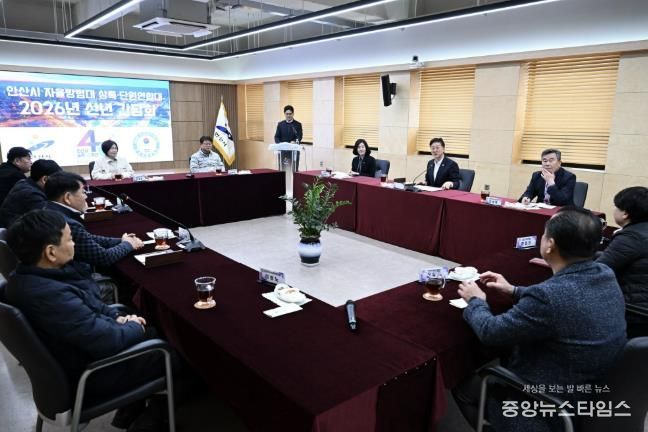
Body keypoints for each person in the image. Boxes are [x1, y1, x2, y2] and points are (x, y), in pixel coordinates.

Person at [4, 209, 181, 431]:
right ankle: (156, 416)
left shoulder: (28, 279)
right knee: (173, 348)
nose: (74, 244)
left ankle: (132, 409)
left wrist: (117, 317)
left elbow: (89, 308)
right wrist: (135, 326)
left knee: (144, 325)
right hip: (90, 375)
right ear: (51, 252)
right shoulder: (50, 295)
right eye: (70, 239)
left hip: (72, 361)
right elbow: (107, 341)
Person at [454, 207, 626, 432]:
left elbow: (491, 332)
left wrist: (476, 300)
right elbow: (566, 298)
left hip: (549, 403)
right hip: (597, 392)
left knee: (461, 382)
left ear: (550, 245)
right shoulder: (604, 272)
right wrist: (514, 290)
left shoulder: (548, 296)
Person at [44, 172, 144, 300]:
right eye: (83, 192)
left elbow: (88, 238)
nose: (86, 196)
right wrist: (128, 245)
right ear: (68, 197)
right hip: (75, 282)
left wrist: (121, 240)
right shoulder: (67, 223)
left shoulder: (50, 209)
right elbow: (104, 257)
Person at [597, 186, 648, 338]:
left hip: (634, 312)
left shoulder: (631, 237)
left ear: (625, 213)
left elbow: (598, 271)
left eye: (616, 207)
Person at [0, 159, 61, 227]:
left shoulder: (27, 182)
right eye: (57, 180)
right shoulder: (31, 194)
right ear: (44, 179)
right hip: (15, 229)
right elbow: (50, 218)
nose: (59, 183)